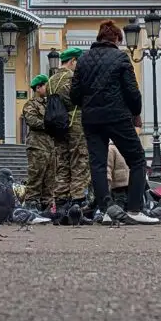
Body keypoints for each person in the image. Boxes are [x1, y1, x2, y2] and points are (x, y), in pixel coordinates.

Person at [71, 22, 156, 220]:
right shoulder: (120, 58)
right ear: (117, 39)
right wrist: (135, 112)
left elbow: (74, 95)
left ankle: (106, 210)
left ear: (99, 38)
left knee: (98, 164)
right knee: (137, 160)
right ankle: (135, 209)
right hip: (117, 117)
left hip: (91, 120)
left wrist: (89, 105)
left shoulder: (82, 59)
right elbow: (132, 92)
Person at [45, 48, 90, 222]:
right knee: (79, 162)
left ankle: (61, 206)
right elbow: (80, 99)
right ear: (72, 61)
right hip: (75, 123)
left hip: (58, 126)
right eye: (78, 62)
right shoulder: (72, 78)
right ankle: (77, 206)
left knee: (62, 164)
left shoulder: (51, 80)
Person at [21, 77, 57, 211]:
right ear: (38, 88)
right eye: (46, 86)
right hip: (37, 146)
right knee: (35, 178)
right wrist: (50, 125)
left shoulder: (50, 104)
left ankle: (47, 207)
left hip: (50, 147)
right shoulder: (31, 105)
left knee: (50, 180)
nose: (48, 89)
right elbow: (32, 121)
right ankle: (31, 205)